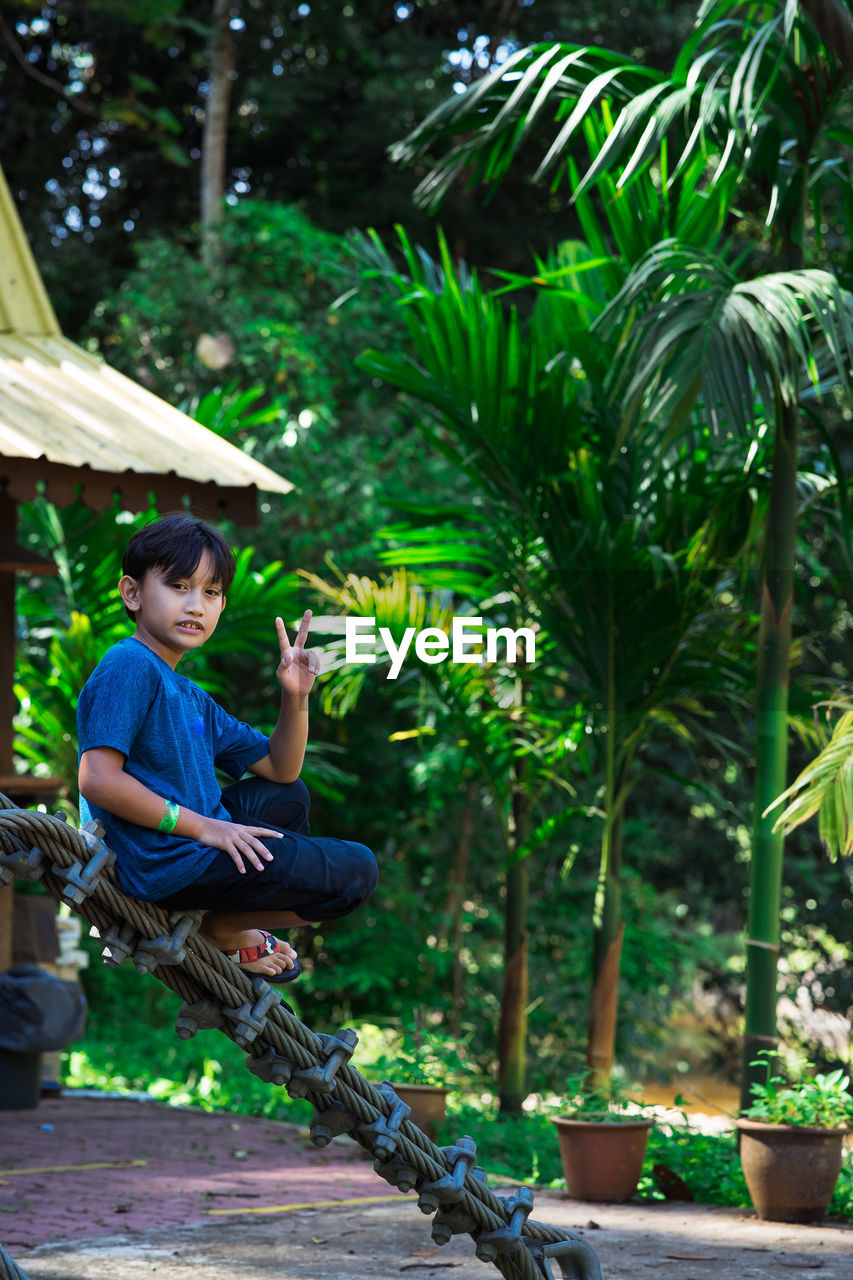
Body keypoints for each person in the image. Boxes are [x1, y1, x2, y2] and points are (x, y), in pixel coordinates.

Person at [77, 513, 377, 982]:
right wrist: (205, 828)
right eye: (179, 586)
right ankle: (224, 929)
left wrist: (295, 696)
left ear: (221, 605)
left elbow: (280, 767)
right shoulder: (129, 662)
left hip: (189, 844)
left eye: (210, 592)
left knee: (289, 794)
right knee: (356, 872)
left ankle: (219, 923)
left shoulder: (189, 695)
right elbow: (97, 779)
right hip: (161, 861)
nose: (196, 605)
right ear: (132, 593)